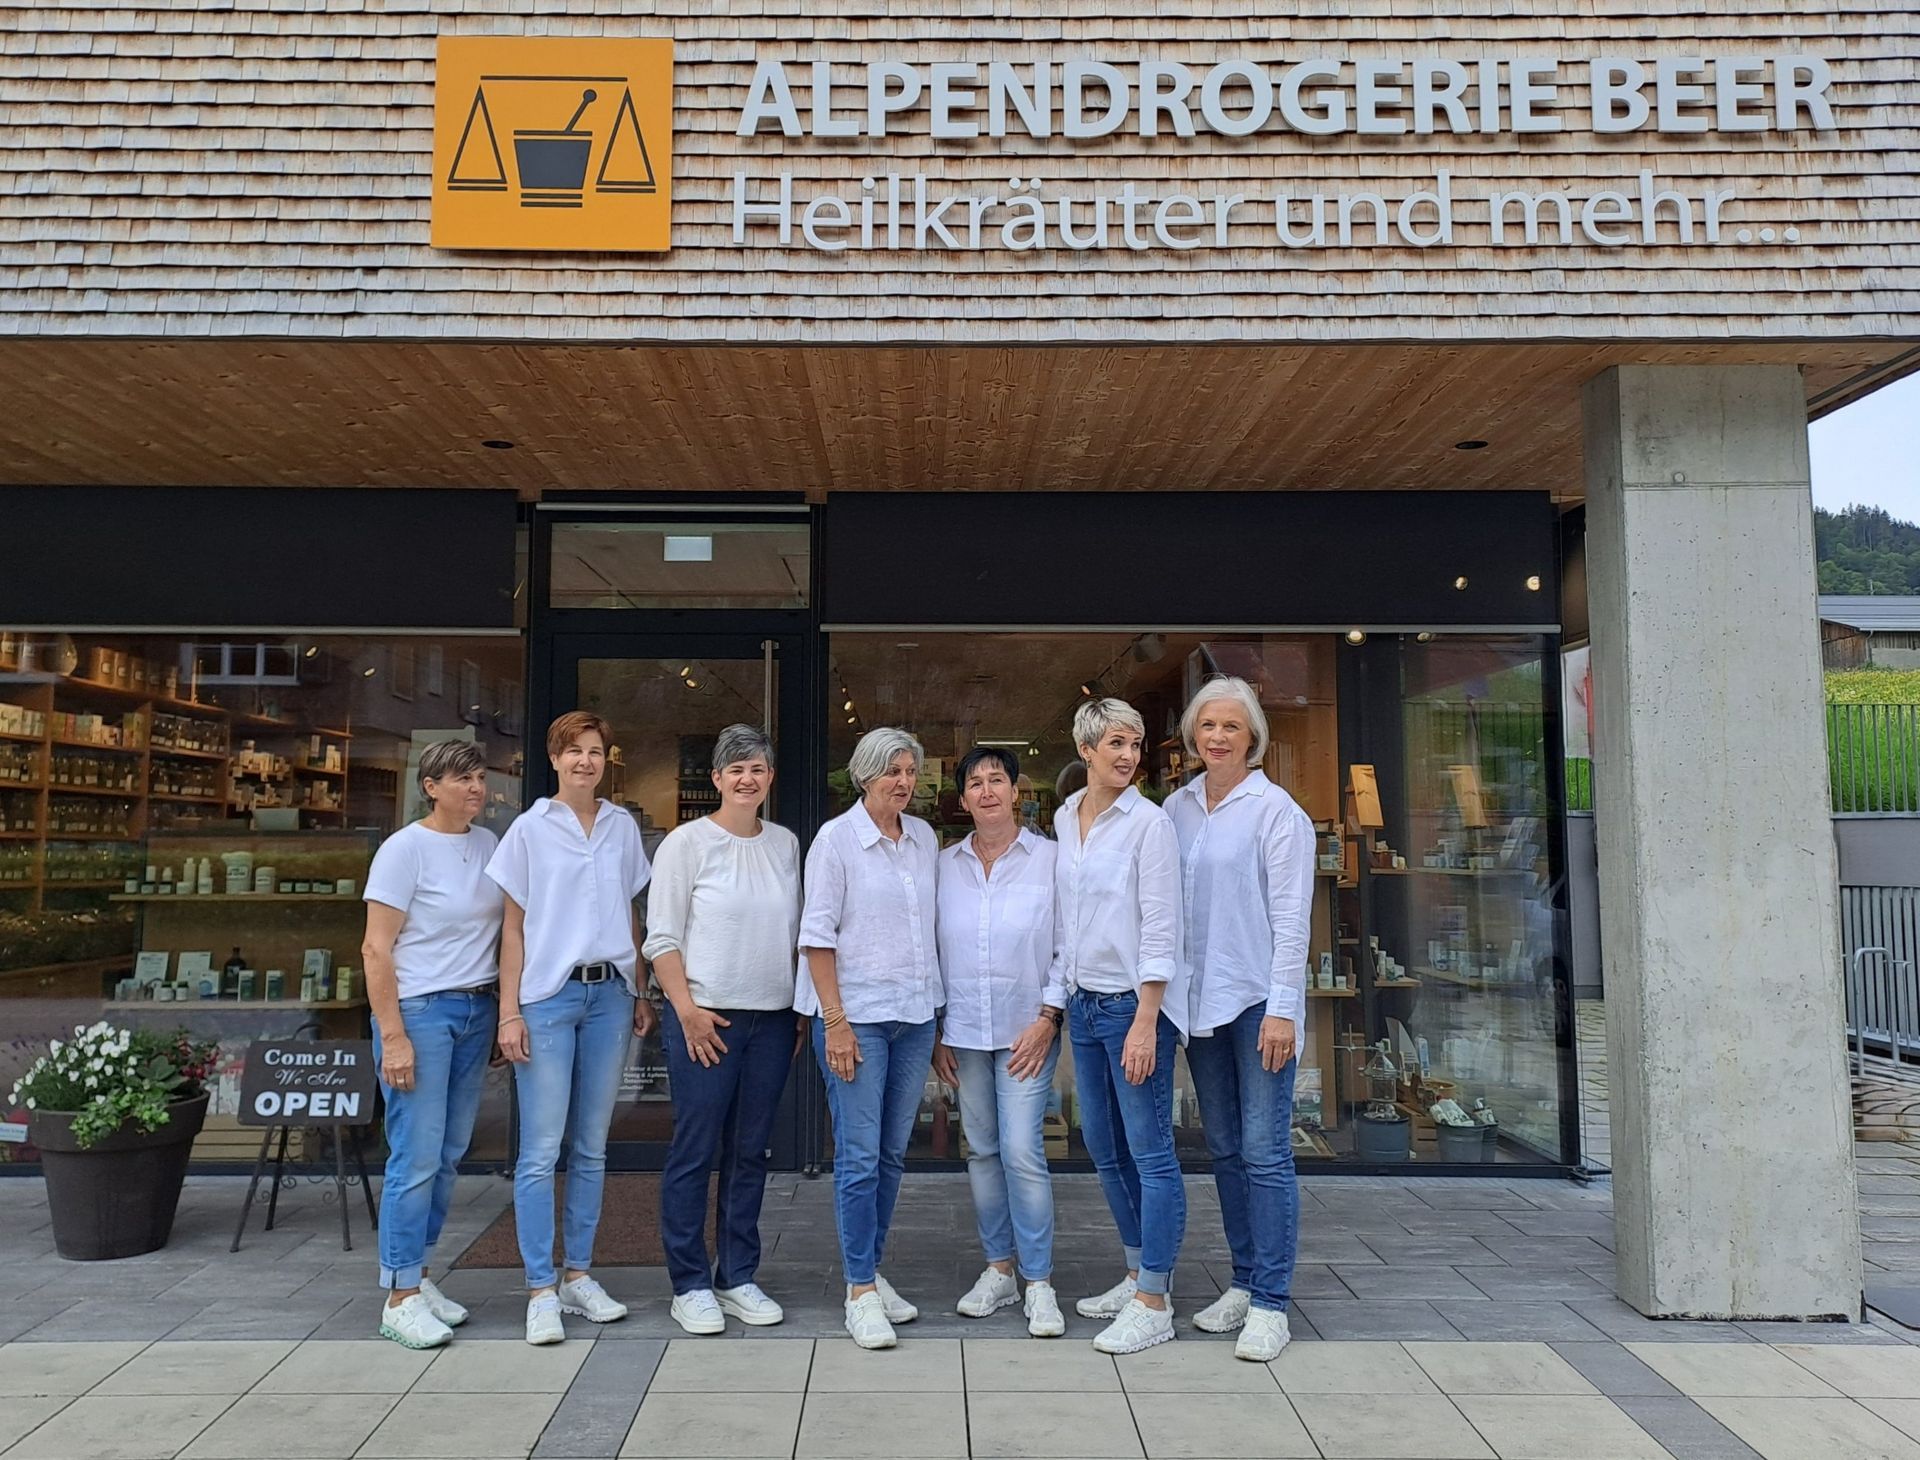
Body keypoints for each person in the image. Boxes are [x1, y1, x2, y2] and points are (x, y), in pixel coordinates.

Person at [488, 711, 658, 1345]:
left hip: (611, 995)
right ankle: (539, 1287)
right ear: (554, 759)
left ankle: (579, 1275)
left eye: (596, 751)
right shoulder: (529, 831)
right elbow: (512, 929)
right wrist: (509, 1011)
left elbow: (632, 917)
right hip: (548, 1000)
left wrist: (640, 988)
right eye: (574, 751)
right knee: (538, 1151)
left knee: (591, 1146)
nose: (586, 761)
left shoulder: (621, 828)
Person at [1167, 676, 1314, 1361]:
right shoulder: (1178, 807)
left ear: (1251, 735)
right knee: (1223, 1150)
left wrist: (1283, 1010)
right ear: (1193, 736)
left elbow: (1292, 921)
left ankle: (1273, 1303)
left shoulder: (1275, 812)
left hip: (1257, 1001)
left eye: (1231, 725)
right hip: (1201, 1004)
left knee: (1264, 1153)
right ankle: (1244, 1280)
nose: (1218, 736)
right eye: (1207, 725)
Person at [643, 724, 801, 1336]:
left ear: (769, 778)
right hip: (707, 1019)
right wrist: (685, 1010)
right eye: (735, 769)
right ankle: (688, 1283)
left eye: (758, 768)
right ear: (715, 779)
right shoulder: (686, 844)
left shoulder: (785, 844)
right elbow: (663, 937)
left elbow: (793, 937)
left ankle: (737, 1275)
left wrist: (797, 1013)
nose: (746, 778)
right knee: (694, 1149)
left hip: (772, 1019)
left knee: (749, 1152)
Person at [797, 726, 941, 1349]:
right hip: (854, 1018)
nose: (904, 782)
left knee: (888, 1155)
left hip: (914, 1018)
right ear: (864, 776)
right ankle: (858, 1292)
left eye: (911, 772)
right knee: (857, 1156)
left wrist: (938, 1022)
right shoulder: (836, 841)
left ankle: (871, 1272)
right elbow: (816, 937)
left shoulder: (925, 839)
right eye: (892, 772)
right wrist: (834, 1022)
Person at [1055, 696, 1189, 1354]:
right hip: (1085, 1006)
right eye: (1116, 743)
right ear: (1086, 749)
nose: (1129, 755)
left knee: (1152, 1156)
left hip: (1133, 1011)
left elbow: (1162, 928)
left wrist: (1146, 1018)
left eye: (1135, 744)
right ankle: (1136, 1269)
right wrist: (1058, 999)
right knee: (1105, 1152)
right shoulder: (1063, 818)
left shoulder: (1150, 825)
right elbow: (1067, 924)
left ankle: (1155, 1300)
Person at [361, 740, 503, 1349]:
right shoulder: (404, 850)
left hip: (475, 1008)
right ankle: (399, 1296)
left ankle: (418, 1275)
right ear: (430, 785)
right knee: (415, 1154)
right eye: (461, 778)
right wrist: (393, 1036)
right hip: (420, 1011)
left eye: (479, 778)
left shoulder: (489, 845)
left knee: (448, 1151)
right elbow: (375, 949)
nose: (475, 787)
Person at [932, 746, 1067, 1338]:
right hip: (963, 1030)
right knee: (981, 1150)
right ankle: (999, 1270)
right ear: (962, 800)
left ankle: (1039, 1281)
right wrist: (936, 1028)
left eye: (997, 781)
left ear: (1017, 791)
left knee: (1020, 1150)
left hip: (1026, 1032)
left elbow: (1071, 943)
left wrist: (1049, 1016)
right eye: (975, 783)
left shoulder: (1052, 861)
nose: (987, 791)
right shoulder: (942, 867)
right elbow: (927, 950)